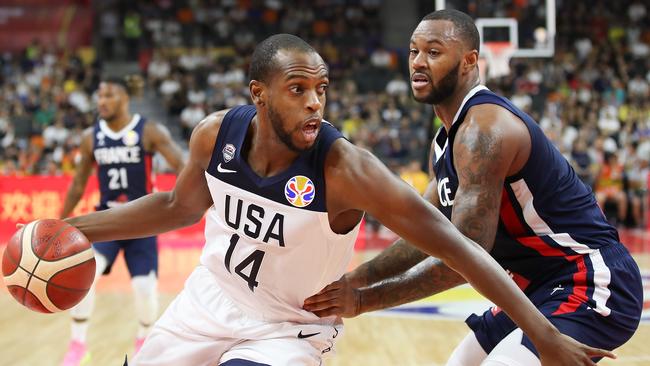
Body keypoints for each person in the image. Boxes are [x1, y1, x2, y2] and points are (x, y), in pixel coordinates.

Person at [63, 34, 613, 366]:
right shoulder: (215, 135)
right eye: (298, 90)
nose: (315, 104)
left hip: (287, 328)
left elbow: (460, 248)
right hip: (204, 303)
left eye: (322, 89)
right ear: (258, 94)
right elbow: (174, 208)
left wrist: (544, 335)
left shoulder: (347, 169)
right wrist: (75, 228)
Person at [303, 10, 643, 366]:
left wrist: (362, 300)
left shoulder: (485, 130)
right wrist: (356, 279)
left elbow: (462, 257)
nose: (418, 62)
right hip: (532, 284)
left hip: (589, 277)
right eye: (413, 51)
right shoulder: (445, 141)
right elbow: (425, 231)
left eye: (433, 52)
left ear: (469, 61)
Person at [60, 76, 185, 366]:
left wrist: (186, 202)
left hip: (143, 222)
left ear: (125, 99)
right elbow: (79, 184)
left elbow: (182, 165)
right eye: (99, 96)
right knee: (83, 277)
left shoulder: (149, 131)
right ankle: (78, 344)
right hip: (108, 221)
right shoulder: (91, 137)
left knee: (144, 288)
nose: (102, 101)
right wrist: (59, 222)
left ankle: (143, 338)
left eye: (109, 95)